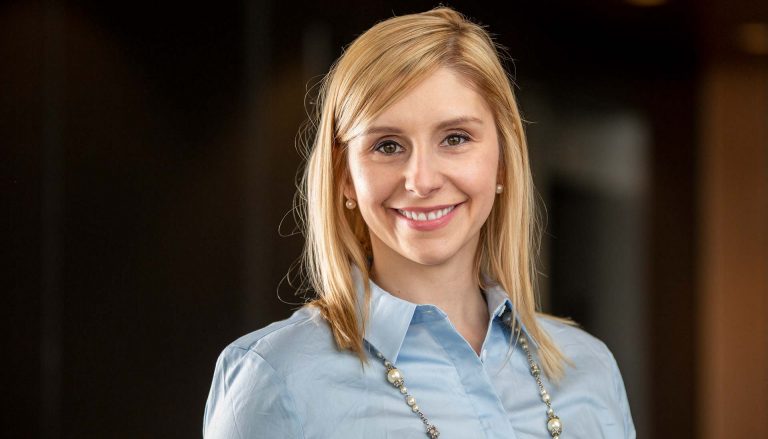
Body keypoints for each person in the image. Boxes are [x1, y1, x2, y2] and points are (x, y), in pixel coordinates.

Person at [204, 6, 635, 439]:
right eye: (388, 145)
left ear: (503, 162)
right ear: (345, 178)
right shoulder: (275, 378)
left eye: (455, 138)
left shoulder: (590, 369)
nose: (423, 180)